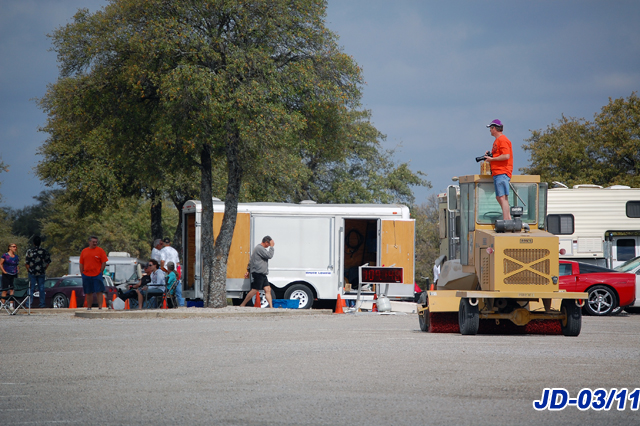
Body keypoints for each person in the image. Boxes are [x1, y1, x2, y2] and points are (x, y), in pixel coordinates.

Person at [484, 119, 514, 220]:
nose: (490, 130)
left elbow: (506, 156)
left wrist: (492, 159)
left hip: (502, 172)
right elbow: (499, 155)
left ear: (494, 128)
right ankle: (508, 218)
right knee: (499, 197)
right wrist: (490, 156)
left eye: (490, 128)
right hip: (497, 172)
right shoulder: (497, 141)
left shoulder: (503, 140)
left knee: (502, 197)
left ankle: (506, 220)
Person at [240, 236, 275, 308]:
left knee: (267, 289)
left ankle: (271, 307)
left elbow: (251, 260)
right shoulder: (259, 248)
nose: (269, 246)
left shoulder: (259, 249)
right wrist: (272, 247)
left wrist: (248, 270)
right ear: (266, 242)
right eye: (269, 244)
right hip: (258, 272)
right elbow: (269, 255)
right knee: (255, 290)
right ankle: (243, 304)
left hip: (262, 273)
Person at [79, 236, 108, 310]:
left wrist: (101, 271)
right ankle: (89, 307)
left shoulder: (100, 250)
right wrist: (82, 273)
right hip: (86, 275)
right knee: (88, 292)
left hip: (97, 275)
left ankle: (100, 307)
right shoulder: (84, 251)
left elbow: (104, 262)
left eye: (96, 242)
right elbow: (81, 263)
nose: (95, 243)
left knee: (99, 291)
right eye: (93, 242)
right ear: (89, 242)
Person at [25, 236, 51, 308]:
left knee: (31, 288)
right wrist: (44, 268)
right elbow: (48, 261)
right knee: (41, 288)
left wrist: (28, 270)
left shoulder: (30, 251)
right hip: (41, 272)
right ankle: (42, 304)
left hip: (32, 272)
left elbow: (27, 262)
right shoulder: (44, 251)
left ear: (33, 243)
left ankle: (29, 304)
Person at [162, 237, 184, 306]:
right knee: (177, 290)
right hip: (174, 272)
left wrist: (163, 269)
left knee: (166, 287)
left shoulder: (162, 251)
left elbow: (162, 261)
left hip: (166, 273)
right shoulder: (174, 251)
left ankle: (164, 304)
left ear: (163, 243)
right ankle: (181, 304)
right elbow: (178, 264)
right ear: (170, 243)